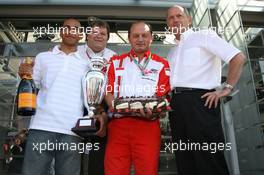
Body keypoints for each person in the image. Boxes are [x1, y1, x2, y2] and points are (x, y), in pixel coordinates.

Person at [19, 18, 107, 175]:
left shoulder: (88, 65)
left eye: (75, 29)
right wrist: (24, 73)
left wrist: (100, 114)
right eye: (67, 28)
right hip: (41, 126)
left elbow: (93, 97)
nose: (71, 31)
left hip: (72, 130)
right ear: (61, 32)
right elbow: (32, 86)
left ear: (81, 35)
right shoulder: (42, 57)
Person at [166, 5, 246, 175]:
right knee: (184, 157)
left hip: (201, 101)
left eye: (179, 15)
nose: (175, 19)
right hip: (176, 105)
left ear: (189, 19)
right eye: (171, 17)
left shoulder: (205, 36)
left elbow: (238, 58)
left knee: (208, 158)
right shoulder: (171, 52)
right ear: (168, 23)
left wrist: (227, 88)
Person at [104, 21, 170, 175]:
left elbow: (162, 95)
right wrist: (116, 106)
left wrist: (154, 111)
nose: (140, 39)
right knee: (114, 171)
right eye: (136, 36)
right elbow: (108, 92)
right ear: (129, 38)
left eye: (144, 35)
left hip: (148, 125)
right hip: (118, 125)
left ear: (151, 38)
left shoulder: (162, 64)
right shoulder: (115, 62)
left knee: (147, 171)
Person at [78, 19, 116, 175]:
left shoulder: (114, 57)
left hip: (102, 110)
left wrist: (104, 112)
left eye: (103, 34)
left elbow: (114, 88)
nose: (99, 36)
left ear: (107, 38)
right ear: (87, 35)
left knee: (98, 155)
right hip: (75, 106)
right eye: (95, 32)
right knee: (72, 156)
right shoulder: (76, 53)